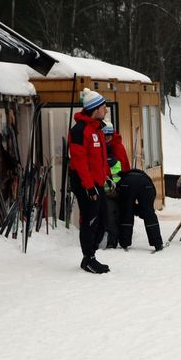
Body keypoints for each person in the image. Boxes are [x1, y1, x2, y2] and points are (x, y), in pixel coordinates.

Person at [68, 88, 111, 274]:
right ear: (95, 109)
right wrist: (89, 187)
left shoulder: (98, 129)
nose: (106, 110)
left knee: (103, 219)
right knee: (91, 220)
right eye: (104, 107)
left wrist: (106, 175)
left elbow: (100, 158)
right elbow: (80, 161)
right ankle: (88, 258)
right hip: (85, 183)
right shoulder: (79, 130)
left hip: (97, 182)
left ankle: (92, 255)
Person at [116, 168, 163, 251]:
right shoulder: (146, 177)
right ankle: (157, 243)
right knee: (150, 215)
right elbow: (153, 194)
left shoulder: (124, 178)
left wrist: (132, 209)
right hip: (146, 186)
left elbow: (119, 196)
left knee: (126, 213)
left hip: (127, 185)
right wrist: (145, 210)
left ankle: (124, 242)